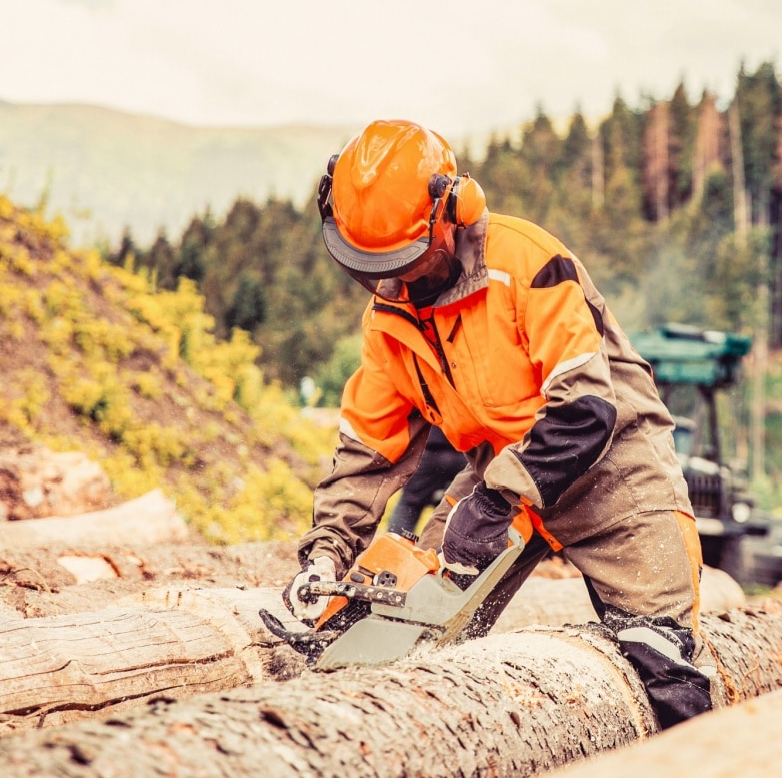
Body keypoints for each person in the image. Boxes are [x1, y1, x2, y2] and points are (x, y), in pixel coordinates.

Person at [283, 119, 713, 728]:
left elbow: (585, 408)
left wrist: (492, 503)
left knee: (664, 664)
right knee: (399, 621)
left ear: (453, 213)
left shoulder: (528, 263)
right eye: (373, 266)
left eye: (406, 261)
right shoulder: (390, 317)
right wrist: (327, 553)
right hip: (497, 471)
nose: (392, 280)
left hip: (613, 468)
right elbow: (367, 448)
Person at [385, 426, 464, 537]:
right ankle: (439, 550)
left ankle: (393, 546)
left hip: (430, 449)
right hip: (464, 454)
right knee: (452, 508)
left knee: (410, 503)